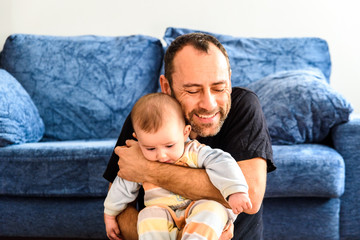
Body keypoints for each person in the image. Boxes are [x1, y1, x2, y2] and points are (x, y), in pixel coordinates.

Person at [103, 32, 276, 240]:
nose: (209, 104)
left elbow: (251, 197)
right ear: (166, 87)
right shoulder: (148, 116)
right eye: (193, 91)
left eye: (219, 88)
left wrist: (147, 169)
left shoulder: (244, 106)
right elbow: (121, 207)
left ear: (229, 79)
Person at [104, 92, 252, 240]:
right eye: (150, 148)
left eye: (169, 145)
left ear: (184, 133)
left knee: (213, 209)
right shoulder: (140, 160)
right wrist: (110, 214)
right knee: (147, 216)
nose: (161, 155)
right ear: (138, 139)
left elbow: (222, 162)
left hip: (197, 207)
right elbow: (121, 187)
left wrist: (235, 191)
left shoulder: (194, 151)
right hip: (162, 212)